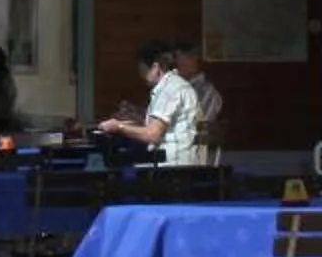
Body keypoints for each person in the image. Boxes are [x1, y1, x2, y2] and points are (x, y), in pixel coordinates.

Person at [97, 40, 201, 166]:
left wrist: (119, 127)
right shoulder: (173, 85)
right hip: (171, 161)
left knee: (114, 166)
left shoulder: (170, 89)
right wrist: (127, 122)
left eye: (142, 69)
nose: (140, 75)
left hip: (172, 165)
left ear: (156, 67)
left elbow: (153, 134)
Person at [170, 39, 226, 167]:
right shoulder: (178, 88)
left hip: (194, 159)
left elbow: (196, 126)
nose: (178, 65)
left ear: (194, 60)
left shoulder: (207, 92)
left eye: (182, 60)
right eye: (177, 60)